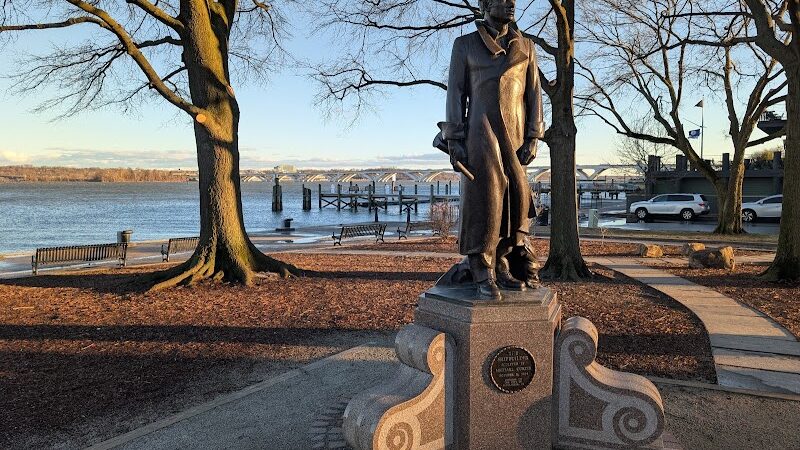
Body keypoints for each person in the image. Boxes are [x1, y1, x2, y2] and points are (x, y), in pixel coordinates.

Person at [439, 0, 544, 299]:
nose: (510, 3)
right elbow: (456, 94)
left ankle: (501, 261)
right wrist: (455, 139)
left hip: (515, 133)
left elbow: (534, 95)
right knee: (485, 197)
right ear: (485, 4)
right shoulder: (465, 45)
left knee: (515, 198)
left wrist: (534, 136)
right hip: (480, 132)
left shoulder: (526, 47)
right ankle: (481, 268)